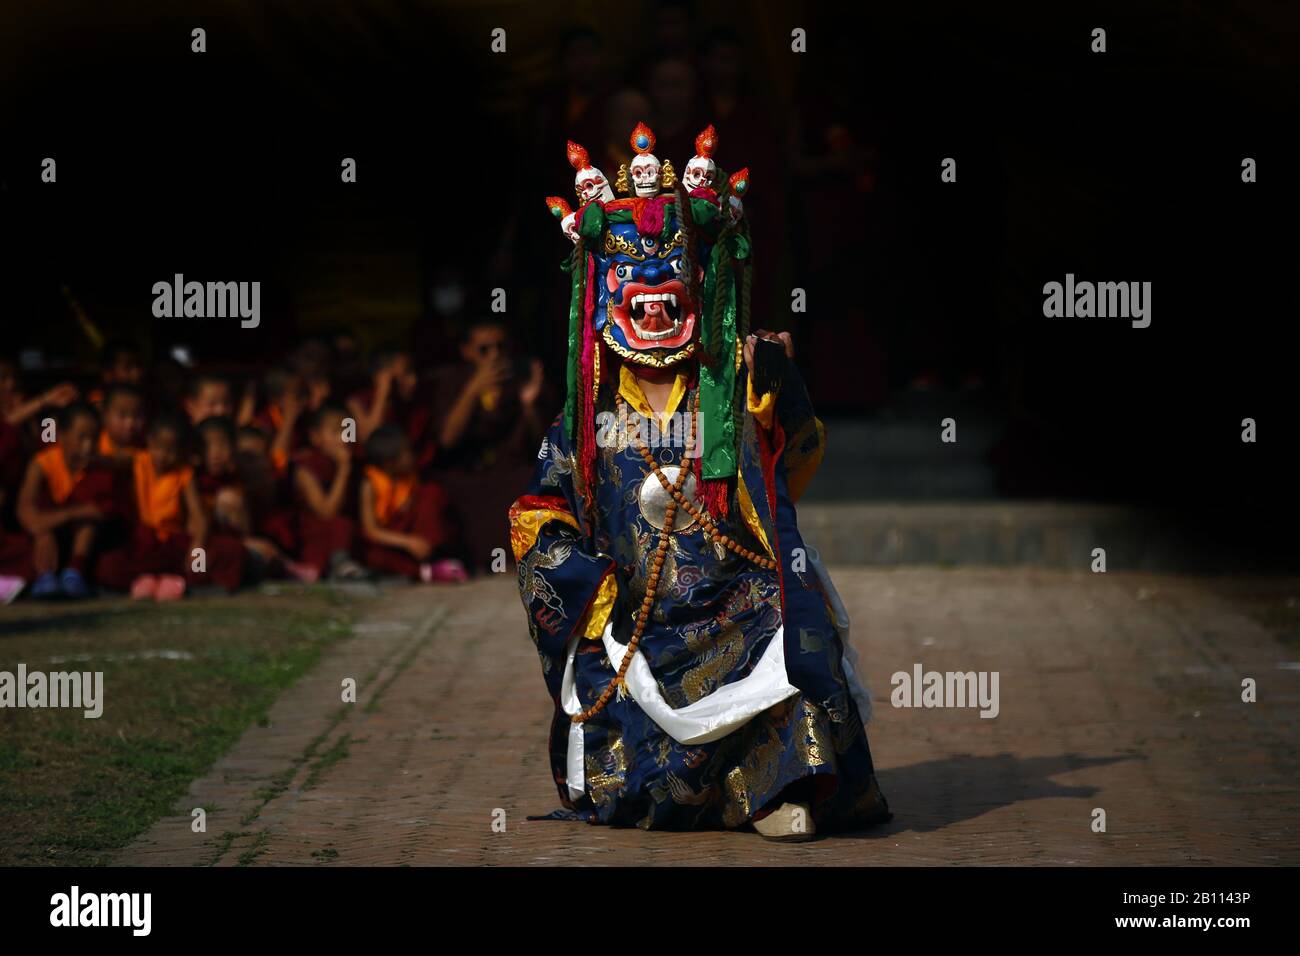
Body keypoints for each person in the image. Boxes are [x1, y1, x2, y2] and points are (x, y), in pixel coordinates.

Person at [509, 122, 890, 841]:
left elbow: (794, 464)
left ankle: (778, 789)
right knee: (623, 677)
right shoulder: (589, 408)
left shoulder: (734, 377)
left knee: (782, 617)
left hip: (733, 596)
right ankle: (705, 794)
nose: (654, 303)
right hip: (636, 612)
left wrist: (778, 386)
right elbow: (537, 512)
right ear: (601, 295)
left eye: (670, 281)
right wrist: (586, 590)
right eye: (633, 283)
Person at [432, 317, 548, 572]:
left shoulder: (517, 379)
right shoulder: (453, 380)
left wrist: (528, 405)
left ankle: (519, 559)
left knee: (529, 480)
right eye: (484, 349)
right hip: (468, 468)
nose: (494, 356)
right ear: (466, 351)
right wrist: (473, 390)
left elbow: (539, 443)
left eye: (500, 347)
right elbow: (447, 439)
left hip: (506, 468)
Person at [95, 413, 245, 599]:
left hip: (175, 544)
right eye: (159, 448)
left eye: (171, 450)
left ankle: (181, 581)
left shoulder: (183, 472)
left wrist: (196, 547)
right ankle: (153, 580)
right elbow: (109, 460)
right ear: (149, 442)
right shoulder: (139, 461)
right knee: (109, 564)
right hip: (142, 541)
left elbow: (197, 515)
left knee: (230, 550)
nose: (164, 456)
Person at [15, 403, 119, 599]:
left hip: (83, 542)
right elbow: (26, 513)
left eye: (94, 438)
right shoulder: (42, 463)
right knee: (43, 532)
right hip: (47, 537)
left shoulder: (101, 466)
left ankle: (75, 573)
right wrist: (70, 514)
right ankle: (45, 575)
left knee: (87, 525)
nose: (88, 446)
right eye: (81, 438)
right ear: (61, 436)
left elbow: (103, 511)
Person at [357, 425, 464, 582]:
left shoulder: (410, 477)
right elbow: (371, 530)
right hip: (390, 541)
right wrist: (408, 543)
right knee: (375, 557)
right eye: (406, 453)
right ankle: (425, 572)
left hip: (416, 542)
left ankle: (434, 561)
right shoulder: (370, 485)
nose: (412, 456)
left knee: (431, 493)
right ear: (389, 463)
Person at [291, 404, 366, 580]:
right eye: (336, 432)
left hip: (349, 536)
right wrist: (344, 469)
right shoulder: (306, 468)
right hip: (319, 536)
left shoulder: (359, 462)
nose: (344, 439)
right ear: (316, 437)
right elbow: (326, 512)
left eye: (349, 432)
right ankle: (339, 563)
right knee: (341, 523)